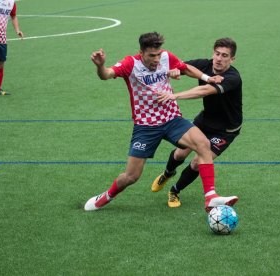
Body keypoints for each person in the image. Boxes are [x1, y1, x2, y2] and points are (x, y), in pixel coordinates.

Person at [84, 32, 238, 212]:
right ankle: (106, 196)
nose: (157, 59)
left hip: (172, 119)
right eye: (151, 56)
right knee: (131, 176)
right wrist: (101, 66)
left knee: (203, 144)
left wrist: (207, 78)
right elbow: (107, 74)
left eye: (158, 54)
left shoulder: (166, 56)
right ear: (141, 53)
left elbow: (185, 68)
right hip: (146, 126)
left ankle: (210, 196)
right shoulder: (130, 63)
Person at [151, 37, 242, 208]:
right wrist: (175, 70)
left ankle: (174, 191)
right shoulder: (204, 65)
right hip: (205, 120)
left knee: (197, 163)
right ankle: (167, 173)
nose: (219, 59)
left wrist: (174, 95)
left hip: (225, 130)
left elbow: (205, 90)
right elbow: (179, 65)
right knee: (179, 154)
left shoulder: (232, 77)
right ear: (212, 53)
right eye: (217, 54)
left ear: (232, 59)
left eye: (224, 55)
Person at [0, 0, 24, 95]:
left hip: (1, 38)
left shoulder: (11, 3)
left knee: (0, 63)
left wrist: (17, 30)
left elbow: (13, 16)